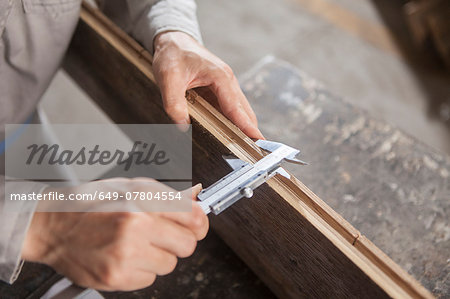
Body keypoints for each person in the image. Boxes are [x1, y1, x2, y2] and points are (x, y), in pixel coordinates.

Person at [0, 0, 263, 291]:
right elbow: (48, 226)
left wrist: (171, 31)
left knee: (100, 247)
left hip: (17, 129)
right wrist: (43, 227)